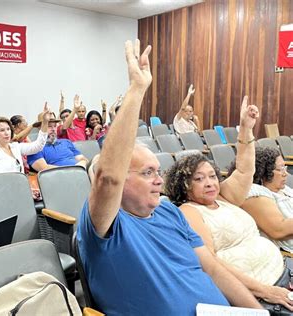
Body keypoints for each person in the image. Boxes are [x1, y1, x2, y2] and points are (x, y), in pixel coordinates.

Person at [77, 39, 261, 315]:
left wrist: (258, 312)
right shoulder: (104, 227)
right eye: (148, 172)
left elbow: (212, 268)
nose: (159, 180)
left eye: (158, 171)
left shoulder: (170, 213)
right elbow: (108, 178)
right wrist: (137, 89)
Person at [164, 97, 293, 310]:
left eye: (212, 176)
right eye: (198, 179)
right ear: (184, 185)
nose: (209, 183)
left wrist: (246, 128)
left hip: (283, 272)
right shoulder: (189, 211)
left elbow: (244, 169)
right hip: (260, 295)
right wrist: (265, 291)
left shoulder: (223, 197)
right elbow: (211, 265)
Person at [241, 146, 293, 253]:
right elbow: (279, 230)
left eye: (285, 167)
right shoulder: (256, 194)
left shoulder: (284, 189)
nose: (285, 174)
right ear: (263, 172)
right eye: (280, 169)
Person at [0, 104, 49, 175]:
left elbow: (38, 146)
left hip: (21, 183)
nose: (7, 133)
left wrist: (45, 123)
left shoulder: (15, 146)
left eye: (8, 129)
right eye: (2, 130)